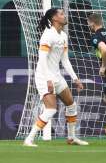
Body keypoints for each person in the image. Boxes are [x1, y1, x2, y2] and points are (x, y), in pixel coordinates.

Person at [24, 8, 88, 147]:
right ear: (54, 18)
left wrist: (75, 78)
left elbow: (65, 60)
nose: (64, 16)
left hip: (57, 76)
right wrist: (48, 80)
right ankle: (29, 139)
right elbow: (42, 59)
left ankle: (71, 138)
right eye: (61, 14)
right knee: (51, 109)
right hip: (43, 77)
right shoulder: (47, 35)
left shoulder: (63, 36)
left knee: (71, 105)